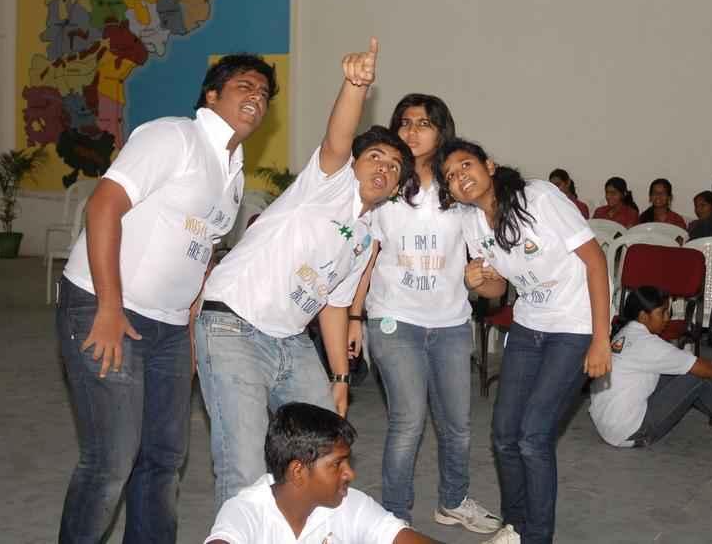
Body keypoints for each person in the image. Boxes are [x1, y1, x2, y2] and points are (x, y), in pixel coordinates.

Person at [56, 54, 277, 543]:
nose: (257, 98)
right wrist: (109, 308)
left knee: (162, 459)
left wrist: (190, 334)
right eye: (245, 86)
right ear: (212, 95)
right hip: (105, 306)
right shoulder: (174, 137)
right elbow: (103, 206)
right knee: (110, 461)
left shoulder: (233, 173)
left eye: (264, 94)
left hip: (171, 328)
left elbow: (202, 258)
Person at [196, 38, 417, 512]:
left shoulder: (364, 237)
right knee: (244, 467)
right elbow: (338, 136)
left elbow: (334, 305)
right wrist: (356, 85)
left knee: (324, 448)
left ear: (396, 187)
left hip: (291, 341)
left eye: (394, 167)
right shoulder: (328, 185)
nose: (384, 168)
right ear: (355, 164)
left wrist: (340, 376)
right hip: (233, 326)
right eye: (375, 157)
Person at [436, 138, 612, 544]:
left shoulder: (538, 197)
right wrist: (476, 281)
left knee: (533, 436)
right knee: (503, 435)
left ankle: (537, 537)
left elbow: (595, 261)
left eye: (466, 165)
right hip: (529, 325)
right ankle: (515, 528)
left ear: (489, 165)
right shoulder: (471, 221)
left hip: (575, 324)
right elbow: (499, 289)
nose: (460, 177)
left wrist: (601, 338)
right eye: (450, 176)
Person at [346, 94, 501, 533]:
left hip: (451, 323)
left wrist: (483, 281)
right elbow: (367, 256)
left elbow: (488, 273)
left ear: (441, 130)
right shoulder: (386, 186)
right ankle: (395, 517)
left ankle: (453, 501)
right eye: (405, 122)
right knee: (408, 421)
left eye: (424, 123)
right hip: (394, 319)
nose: (412, 131)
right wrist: (354, 317)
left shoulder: (460, 193)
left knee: (457, 425)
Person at [205, 402, 442, 544]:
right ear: (298, 471)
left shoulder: (349, 504)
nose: (350, 474)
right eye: (337, 464)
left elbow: (399, 537)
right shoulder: (246, 511)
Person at [589, 286, 712, 447]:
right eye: (662, 312)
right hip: (632, 432)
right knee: (698, 375)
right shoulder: (647, 344)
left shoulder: (622, 334)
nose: (667, 318)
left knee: (682, 370)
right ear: (643, 316)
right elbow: (706, 370)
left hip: (608, 426)